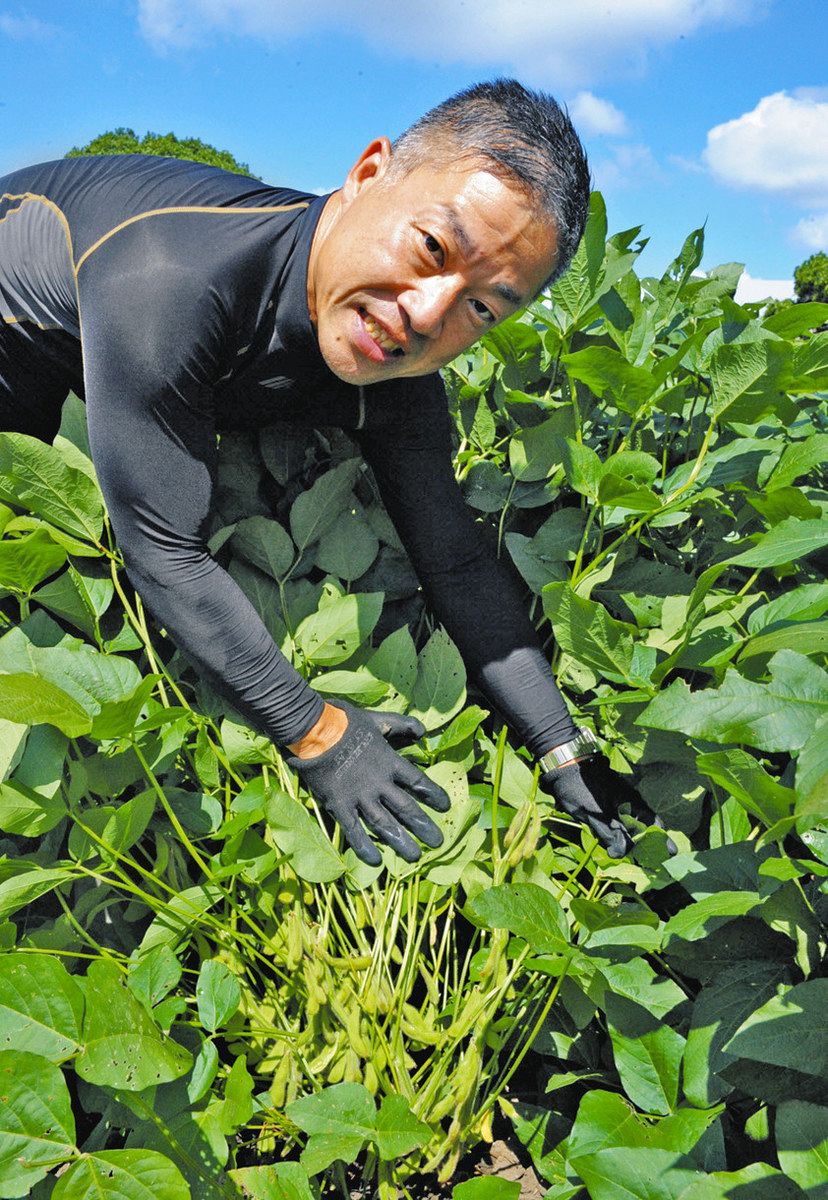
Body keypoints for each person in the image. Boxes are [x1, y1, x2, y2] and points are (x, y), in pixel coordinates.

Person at [0, 79, 635, 867]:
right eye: (433, 249)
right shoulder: (169, 275)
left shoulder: (397, 369)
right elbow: (163, 549)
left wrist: (560, 743)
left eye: (483, 307)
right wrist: (321, 734)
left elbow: (456, 558)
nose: (428, 314)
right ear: (370, 173)